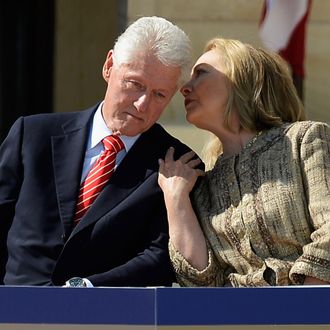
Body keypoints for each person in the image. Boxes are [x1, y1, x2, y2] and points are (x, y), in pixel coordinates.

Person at [0, 16, 195, 287]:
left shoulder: (179, 164)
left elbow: (160, 256)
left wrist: (87, 289)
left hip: (107, 317)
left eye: (159, 95)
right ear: (108, 66)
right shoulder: (32, 136)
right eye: (134, 84)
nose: (142, 104)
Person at [158, 37, 330, 287]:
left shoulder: (303, 140)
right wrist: (176, 199)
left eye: (201, 74)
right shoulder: (205, 184)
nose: (185, 87)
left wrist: (299, 312)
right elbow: (201, 281)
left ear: (242, 81)